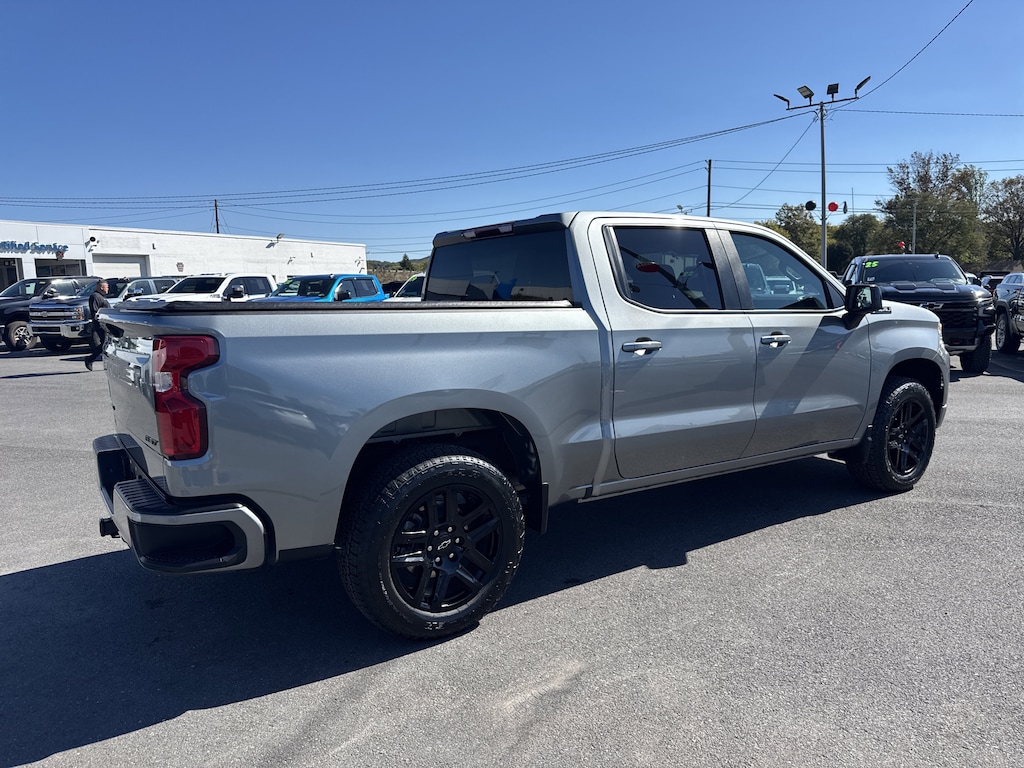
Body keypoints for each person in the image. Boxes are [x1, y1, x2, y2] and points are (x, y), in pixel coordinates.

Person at [84, 279, 110, 371]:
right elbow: (95, 312)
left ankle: (91, 359)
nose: (108, 289)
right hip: (100, 324)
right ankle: (89, 359)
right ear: (102, 287)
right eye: (107, 287)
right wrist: (101, 322)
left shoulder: (102, 297)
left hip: (107, 323)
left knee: (107, 344)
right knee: (105, 344)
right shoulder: (95, 297)